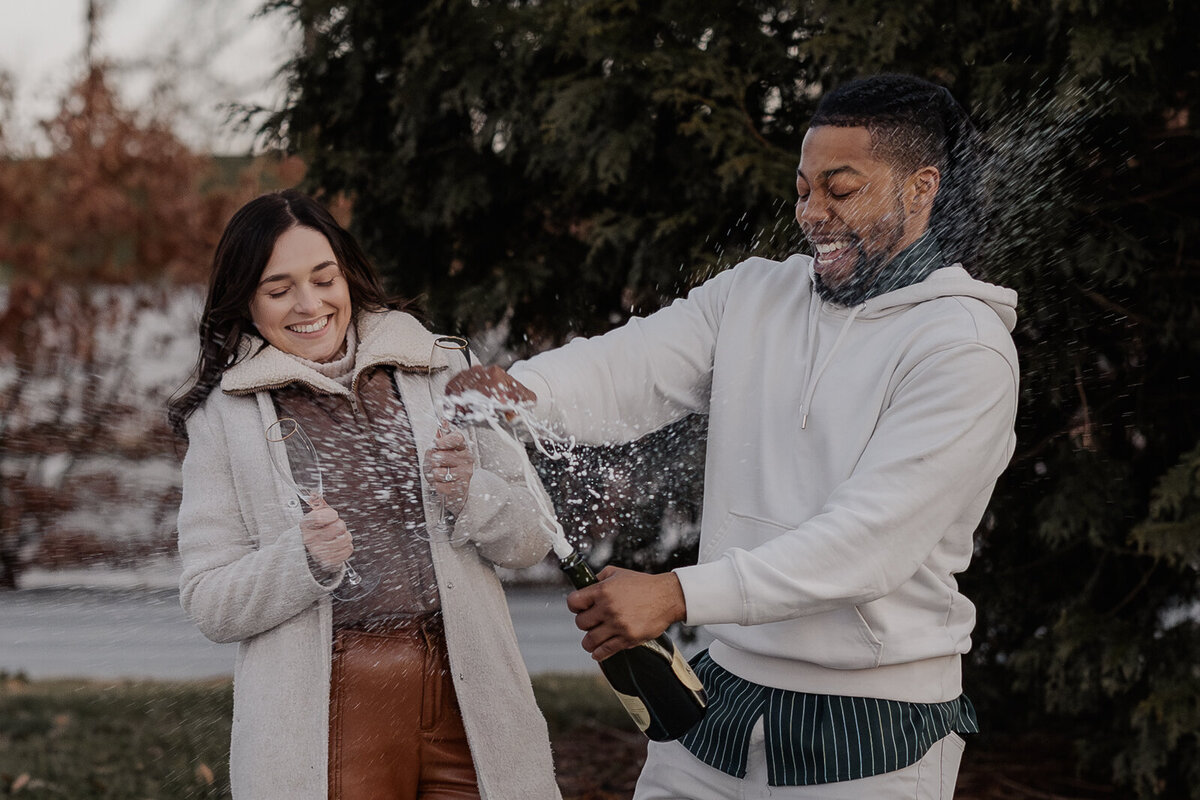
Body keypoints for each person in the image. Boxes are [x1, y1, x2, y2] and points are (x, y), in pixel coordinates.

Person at [448, 74, 1019, 799]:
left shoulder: (962, 347)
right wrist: (524, 392)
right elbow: (633, 369)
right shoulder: (754, 295)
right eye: (803, 189)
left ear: (921, 188)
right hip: (718, 700)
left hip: (874, 728)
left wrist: (679, 594)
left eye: (840, 191)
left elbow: (868, 545)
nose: (813, 214)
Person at [168, 189, 562, 800]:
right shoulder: (225, 416)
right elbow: (210, 601)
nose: (310, 304)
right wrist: (304, 561)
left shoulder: (440, 367)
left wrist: (469, 493)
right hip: (328, 716)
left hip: (471, 693)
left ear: (346, 273)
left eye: (325, 279)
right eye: (279, 291)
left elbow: (533, 536)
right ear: (245, 301)